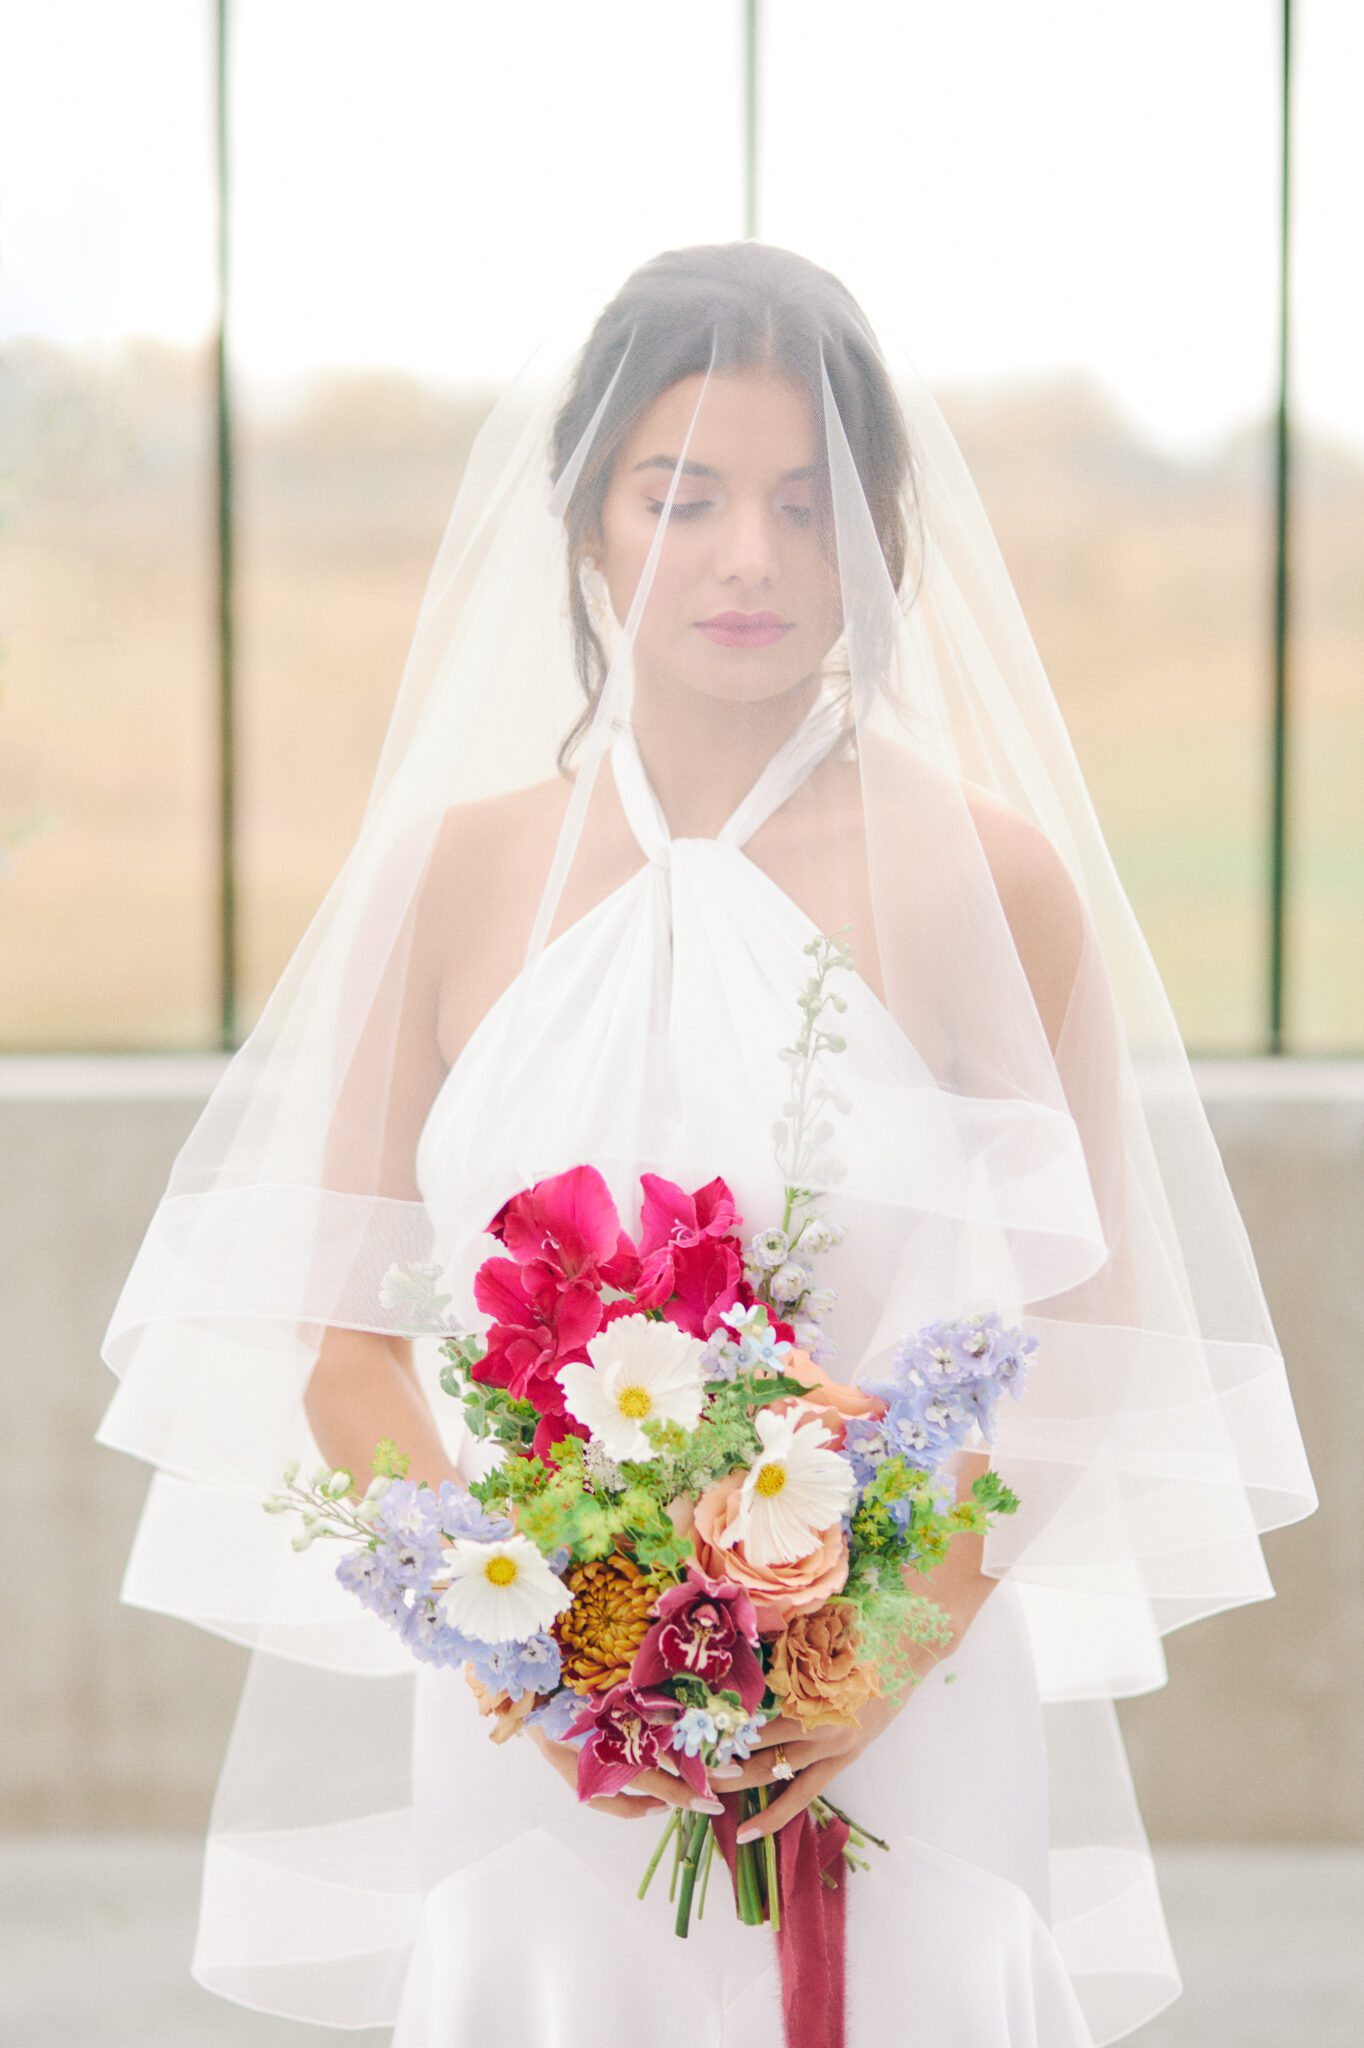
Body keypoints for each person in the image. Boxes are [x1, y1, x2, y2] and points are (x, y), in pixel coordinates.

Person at [95, 241, 1318, 2046]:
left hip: (895, 1695)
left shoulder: (992, 882)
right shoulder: (447, 878)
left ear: (880, 544)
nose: (748, 557)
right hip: (534, 1719)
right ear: (587, 523)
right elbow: (344, 1343)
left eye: (807, 508)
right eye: (683, 497)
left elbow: (1089, 1327)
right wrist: (544, 1657)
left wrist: (865, 1663)